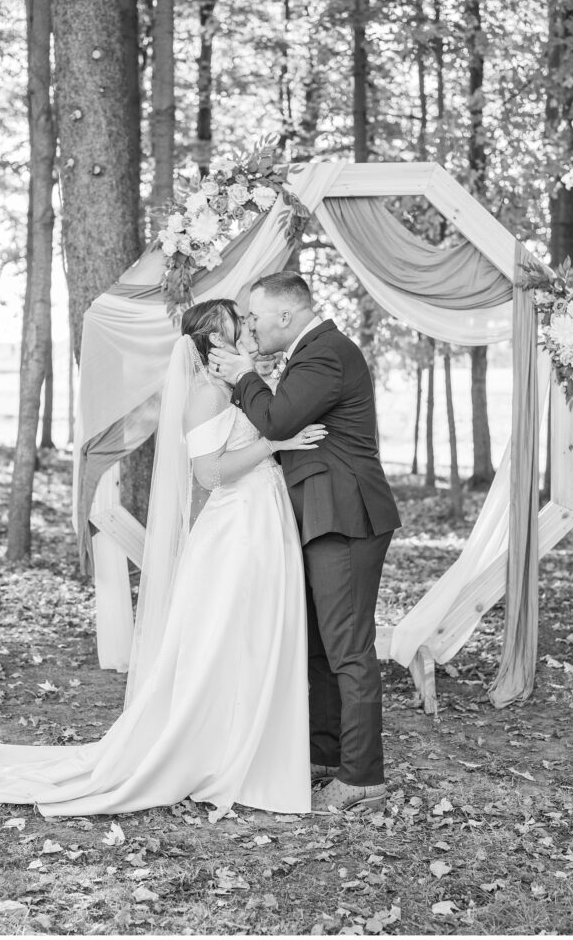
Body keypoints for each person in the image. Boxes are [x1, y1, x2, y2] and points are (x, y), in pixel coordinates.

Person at [0, 299, 327, 818]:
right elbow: (210, 475)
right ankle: (220, 751)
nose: (251, 330)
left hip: (262, 518)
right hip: (236, 529)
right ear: (217, 338)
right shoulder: (205, 395)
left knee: (258, 636)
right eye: (242, 324)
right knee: (231, 638)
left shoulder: (235, 387)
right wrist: (276, 443)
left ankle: (256, 748)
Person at [210, 272, 401, 813]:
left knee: (347, 649)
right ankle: (324, 755)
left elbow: (277, 420)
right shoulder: (311, 352)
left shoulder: (324, 354)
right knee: (318, 644)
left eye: (254, 316)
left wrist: (246, 375)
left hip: (345, 517)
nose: (249, 325)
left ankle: (363, 776)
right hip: (320, 516)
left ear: (286, 317)